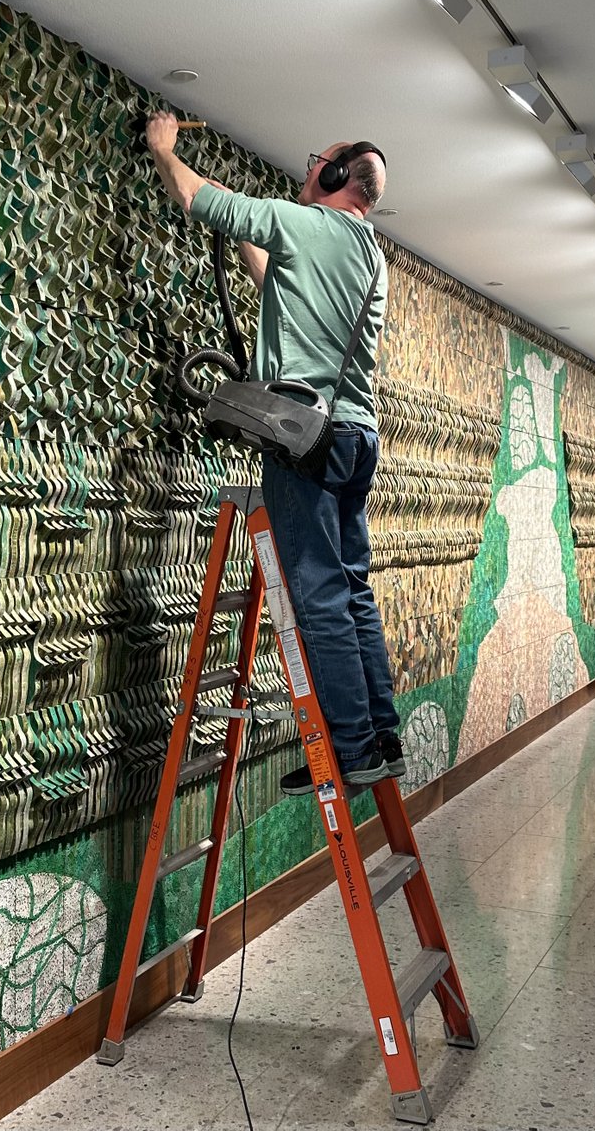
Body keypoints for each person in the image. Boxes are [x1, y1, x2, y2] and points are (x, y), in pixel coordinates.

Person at [145, 111, 404, 795]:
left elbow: (199, 198)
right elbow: (286, 295)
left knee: (316, 592)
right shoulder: (367, 253)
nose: (307, 165)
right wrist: (248, 247)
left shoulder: (306, 224)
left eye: (318, 157)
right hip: (355, 434)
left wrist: (164, 149)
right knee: (350, 588)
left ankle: (349, 753)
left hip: (306, 442)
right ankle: (381, 736)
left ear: (335, 174)